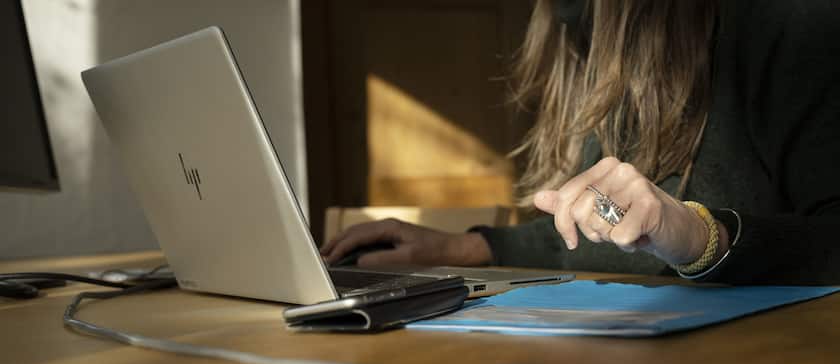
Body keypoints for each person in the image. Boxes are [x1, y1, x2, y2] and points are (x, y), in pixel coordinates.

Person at [322, 0, 840, 285]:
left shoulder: (791, 23)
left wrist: (703, 237)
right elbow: (607, 232)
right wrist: (463, 246)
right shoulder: (579, 36)